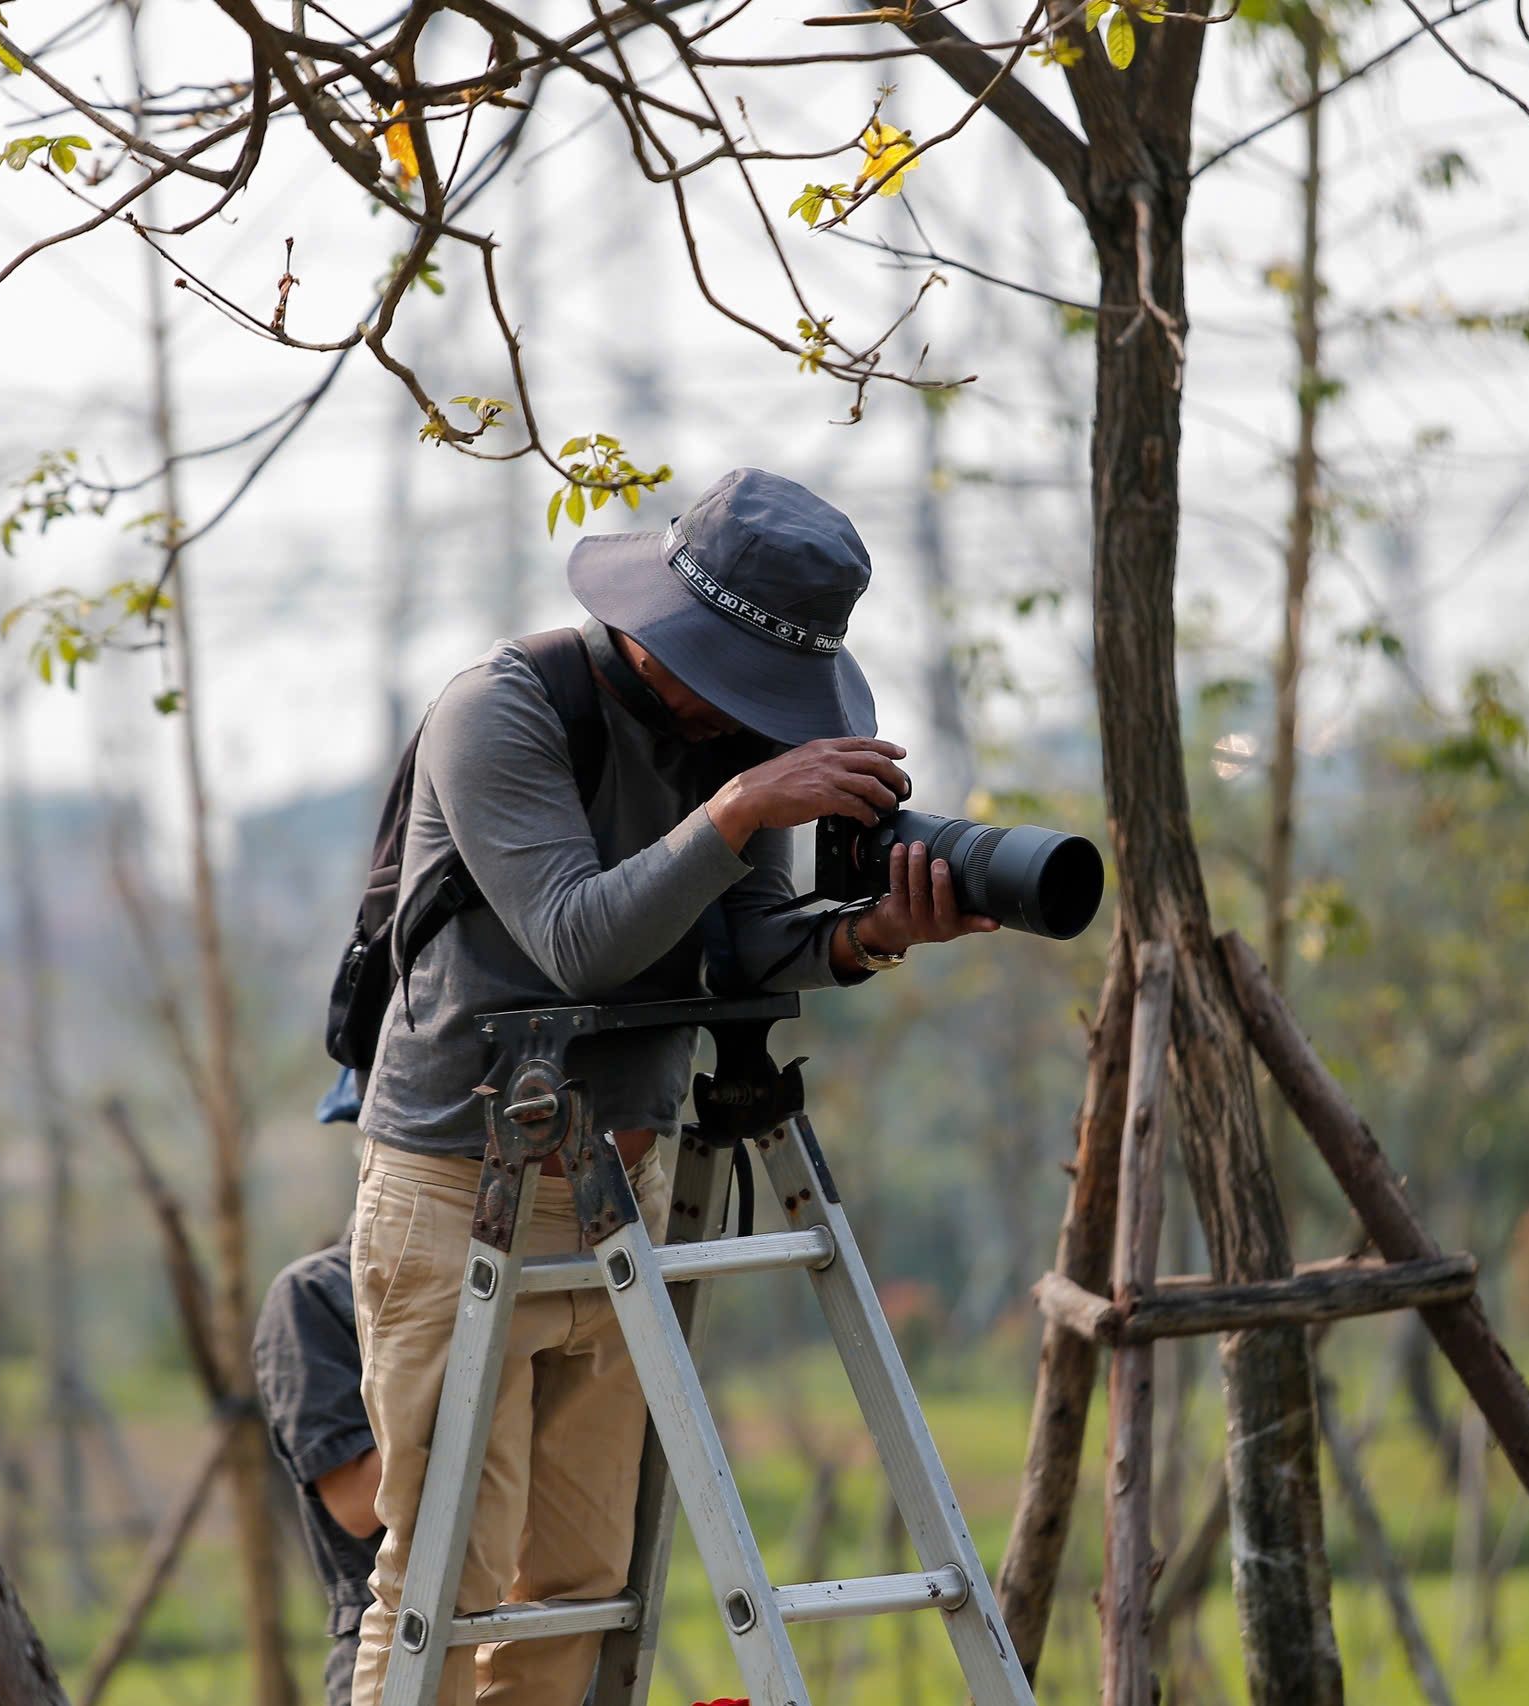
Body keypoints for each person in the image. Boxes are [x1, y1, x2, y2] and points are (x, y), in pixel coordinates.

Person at [348, 466, 1000, 1706]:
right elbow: (578, 940)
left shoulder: (733, 741)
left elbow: (735, 946)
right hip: (456, 1185)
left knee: (578, 1581)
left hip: (621, 1184)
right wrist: (743, 806)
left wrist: (873, 934)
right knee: (445, 1577)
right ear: (662, 633)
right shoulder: (500, 710)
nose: (758, 718)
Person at [255, 1241, 385, 1705]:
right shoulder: (317, 1293)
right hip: (402, 1643)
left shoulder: (563, 1271)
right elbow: (358, 1503)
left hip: (557, 1638)